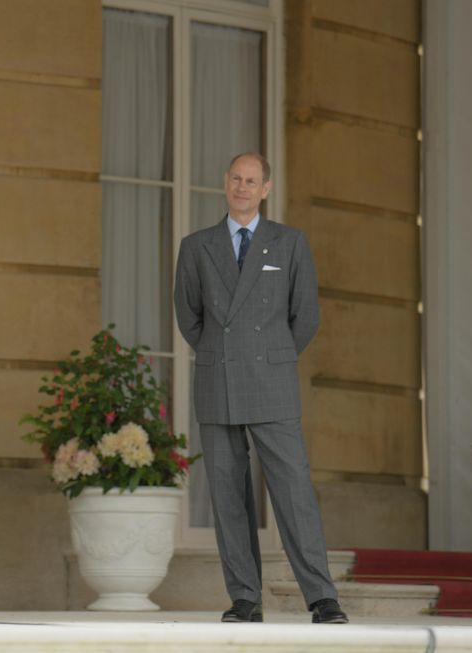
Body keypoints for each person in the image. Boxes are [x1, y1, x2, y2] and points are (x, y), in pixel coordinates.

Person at [173, 152, 347, 624]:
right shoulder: (196, 246)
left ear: (266, 188)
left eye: (252, 181)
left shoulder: (289, 243)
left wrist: (271, 355)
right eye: (236, 179)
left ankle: (321, 597)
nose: (243, 187)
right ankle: (245, 598)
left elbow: (305, 315)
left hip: (271, 381)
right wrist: (221, 353)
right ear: (225, 183)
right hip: (218, 380)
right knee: (228, 495)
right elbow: (190, 317)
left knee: (293, 491)